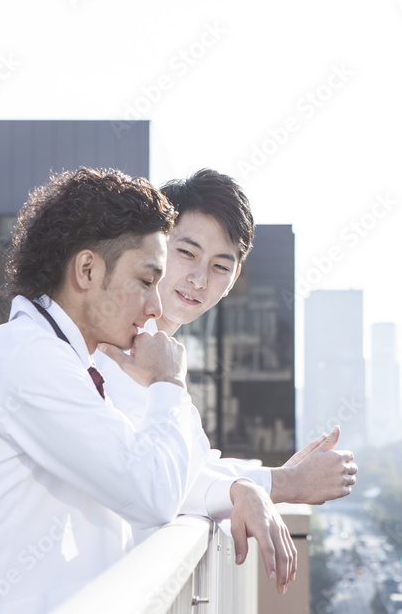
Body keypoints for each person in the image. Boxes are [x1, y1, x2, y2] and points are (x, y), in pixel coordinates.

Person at [0, 168, 212, 613]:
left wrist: (252, 488)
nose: (155, 307)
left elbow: (168, 476)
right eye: (146, 280)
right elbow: (154, 494)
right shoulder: (31, 358)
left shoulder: (59, 357)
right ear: (87, 269)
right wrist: (170, 384)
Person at [95, 169, 358, 592]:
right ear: (156, 245)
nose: (200, 279)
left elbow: (190, 469)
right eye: (187, 253)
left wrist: (273, 478)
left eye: (220, 266)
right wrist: (282, 484)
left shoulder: (162, 357)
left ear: (233, 280)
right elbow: (147, 477)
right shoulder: (111, 344)